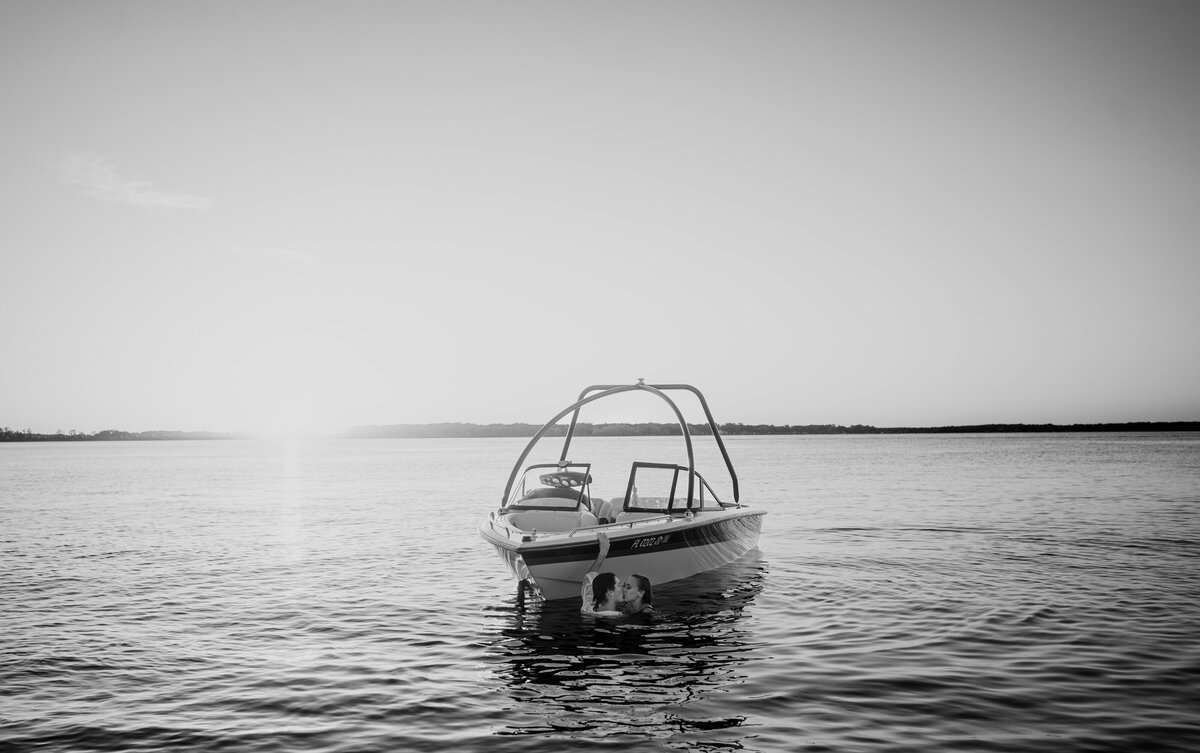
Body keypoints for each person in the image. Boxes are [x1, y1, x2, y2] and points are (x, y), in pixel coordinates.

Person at [580, 531, 622, 616]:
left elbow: (589, 576)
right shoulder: (622, 615)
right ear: (610, 592)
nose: (623, 588)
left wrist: (603, 553)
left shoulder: (588, 608)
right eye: (619, 585)